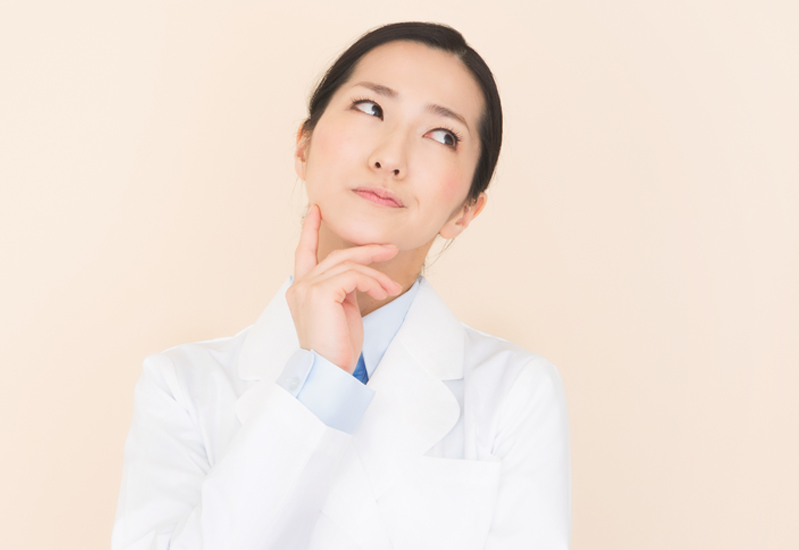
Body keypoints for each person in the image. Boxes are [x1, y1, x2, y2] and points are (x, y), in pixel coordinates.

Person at [112, 22, 570, 550]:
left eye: (443, 135)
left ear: (467, 210)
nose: (391, 158)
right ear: (304, 146)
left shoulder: (516, 394)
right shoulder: (181, 389)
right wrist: (319, 381)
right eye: (371, 108)